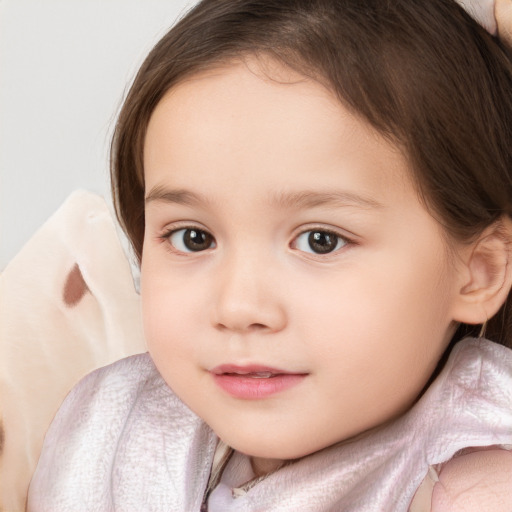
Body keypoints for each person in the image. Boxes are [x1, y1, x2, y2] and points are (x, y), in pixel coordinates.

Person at [27, 0, 512, 510]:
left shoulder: (472, 485)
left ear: (479, 271)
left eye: (320, 240)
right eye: (193, 237)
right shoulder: (109, 426)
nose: (238, 307)